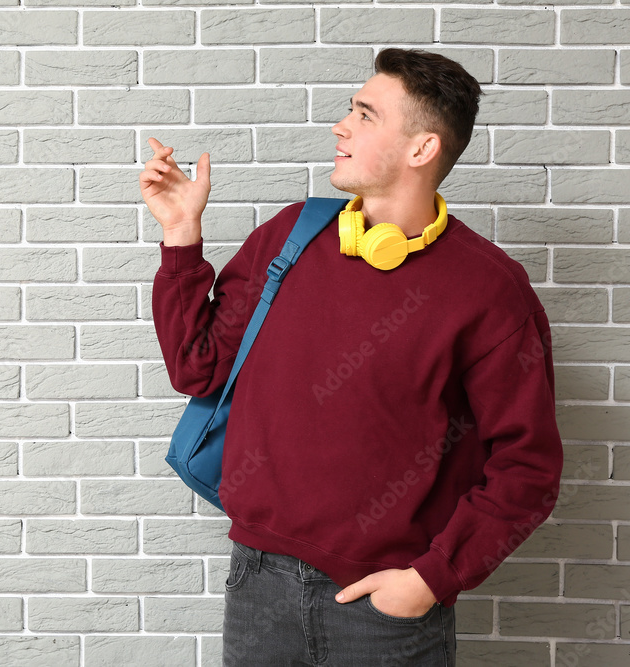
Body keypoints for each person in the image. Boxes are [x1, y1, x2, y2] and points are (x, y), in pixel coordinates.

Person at [141, 48, 564, 666]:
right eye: (351, 110)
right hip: (257, 588)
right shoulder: (290, 237)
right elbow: (196, 368)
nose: (342, 125)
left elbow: (528, 469)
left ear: (421, 149)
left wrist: (429, 580)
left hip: (385, 612)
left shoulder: (491, 292)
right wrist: (180, 234)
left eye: (366, 115)